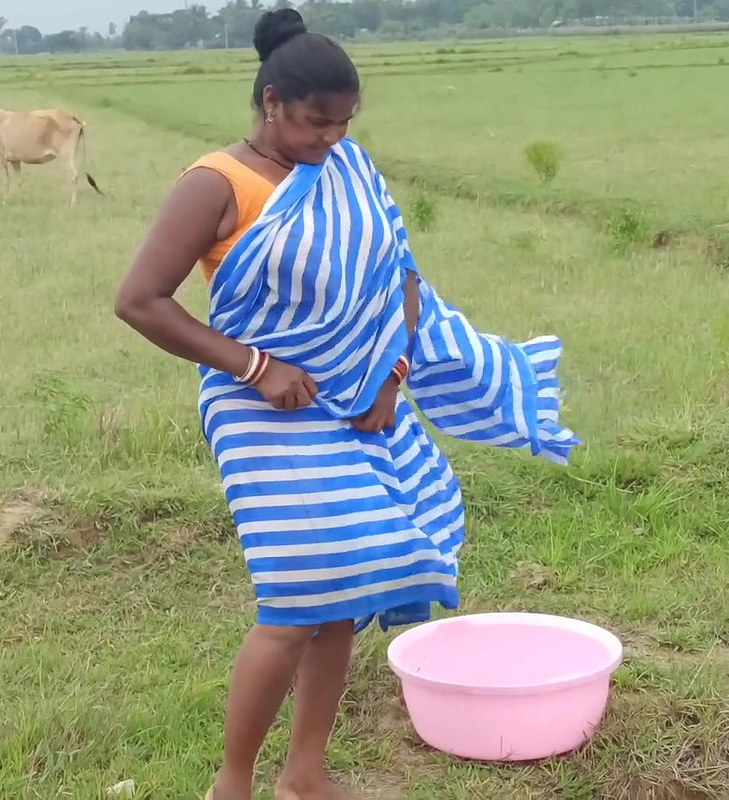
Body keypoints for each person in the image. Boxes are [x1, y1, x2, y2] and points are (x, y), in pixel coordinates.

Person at [114, 10, 580, 800]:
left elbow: (400, 276)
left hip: (355, 400)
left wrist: (390, 376)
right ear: (270, 102)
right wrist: (257, 365)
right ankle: (231, 786)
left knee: (343, 598)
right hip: (261, 408)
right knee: (294, 603)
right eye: (314, 121)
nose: (330, 138)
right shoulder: (215, 184)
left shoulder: (347, 168)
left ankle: (304, 774)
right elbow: (139, 301)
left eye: (343, 123)